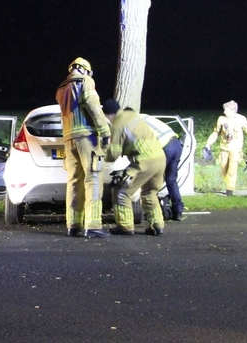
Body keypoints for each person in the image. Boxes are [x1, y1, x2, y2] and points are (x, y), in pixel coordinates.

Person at [55, 57, 111, 238]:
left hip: (68, 138)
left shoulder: (61, 88)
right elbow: (93, 106)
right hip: (87, 137)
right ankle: (93, 225)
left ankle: (73, 225)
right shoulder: (85, 81)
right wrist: (105, 131)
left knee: (74, 181)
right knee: (93, 178)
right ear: (86, 70)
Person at [104, 100, 167, 235]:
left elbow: (113, 154)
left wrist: (103, 155)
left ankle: (125, 227)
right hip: (160, 159)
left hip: (143, 162)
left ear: (108, 115)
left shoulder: (117, 125)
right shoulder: (133, 115)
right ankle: (157, 225)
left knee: (121, 191)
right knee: (150, 192)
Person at [202, 100, 247, 196]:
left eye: (226, 110)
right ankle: (228, 184)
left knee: (232, 170)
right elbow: (216, 132)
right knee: (223, 169)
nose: (224, 112)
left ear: (233, 110)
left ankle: (229, 190)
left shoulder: (241, 119)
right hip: (224, 149)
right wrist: (208, 144)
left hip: (236, 149)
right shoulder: (221, 119)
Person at [141, 113, 184, 221]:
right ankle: (178, 211)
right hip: (176, 144)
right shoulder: (145, 117)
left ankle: (154, 211)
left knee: (152, 180)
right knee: (171, 180)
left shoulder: (134, 123)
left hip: (164, 147)